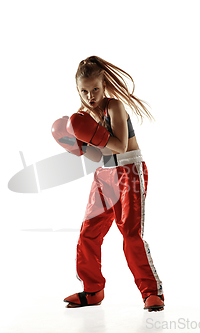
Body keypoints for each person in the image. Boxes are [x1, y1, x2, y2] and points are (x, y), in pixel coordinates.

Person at [51, 56, 164, 311]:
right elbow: (96, 155)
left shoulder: (114, 107)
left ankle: (150, 293)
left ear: (103, 86)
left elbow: (119, 145)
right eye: (84, 91)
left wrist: (87, 133)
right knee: (89, 231)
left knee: (130, 233)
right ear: (77, 89)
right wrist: (74, 145)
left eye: (95, 89)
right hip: (105, 174)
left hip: (129, 171)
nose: (90, 96)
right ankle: (92, 290)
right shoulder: (82, 116)